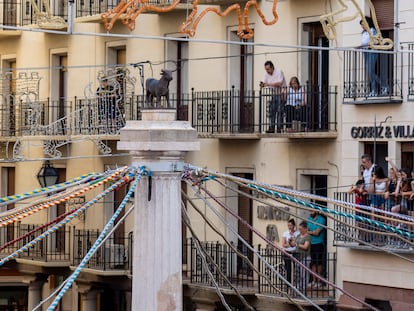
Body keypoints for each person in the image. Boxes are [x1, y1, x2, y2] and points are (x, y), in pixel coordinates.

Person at [260, 60, 286, 133]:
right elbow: (262, 83)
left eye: (268, 69)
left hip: (281, 93)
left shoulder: (279, 71)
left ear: (272, 68)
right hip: (274, 94)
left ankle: (279, 128)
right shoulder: (266, 74)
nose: (267, 71)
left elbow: (279, 83)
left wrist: (268, 84)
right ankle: (271, 127)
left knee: (280, 111)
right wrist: (262, 84)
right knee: (272, 111)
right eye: (266, 69)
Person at [359, 16, 381, 97]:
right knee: (369, 72)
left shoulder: (372, 30)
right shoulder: (364, 33)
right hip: (365, 52)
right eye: (361, 25)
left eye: (363, 24)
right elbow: (364, 43)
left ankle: (384, 85)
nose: (362, 26)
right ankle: (374, 90)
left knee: (371, 71)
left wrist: (366, 45)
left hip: (372, 52)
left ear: (367, 23)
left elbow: (375, 42)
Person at [290, 221, 311, 292]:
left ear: (305, 229)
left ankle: (304, 288)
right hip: (298, 257)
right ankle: (298, 287)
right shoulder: (298, 236)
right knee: (298, 274)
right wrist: (291, 242)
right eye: (299, 229)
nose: (300, 230)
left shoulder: (308, 236)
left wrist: (296, 244)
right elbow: (294, 244)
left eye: (301, 229)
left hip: (305, 257)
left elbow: (306, 246)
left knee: (304, 274)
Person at [307, 211, 326, 288]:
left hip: (319, 243)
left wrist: (310, 232)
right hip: (311, 243)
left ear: (316, 211)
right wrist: (312, 232)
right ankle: (314, 281)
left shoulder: (322, 220)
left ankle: (319, 281)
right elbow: (306, 231)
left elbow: (317, 233)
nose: (310, 212)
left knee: (319, 263)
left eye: (311, 211)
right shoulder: (309, 219)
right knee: (313, 263)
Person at [281, 218, 300, 285]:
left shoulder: (298, 233)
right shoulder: (285, 233)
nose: (289, 227)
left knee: (297, 268)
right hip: (287, 252)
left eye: (291, 225)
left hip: (295, 252)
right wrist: (290, 244)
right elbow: (283, 244)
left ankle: (297, 284)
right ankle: (288, 284)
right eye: (288, 225)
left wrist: (293, 237)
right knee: (288, 269)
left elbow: (297, 243)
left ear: (294, 225)